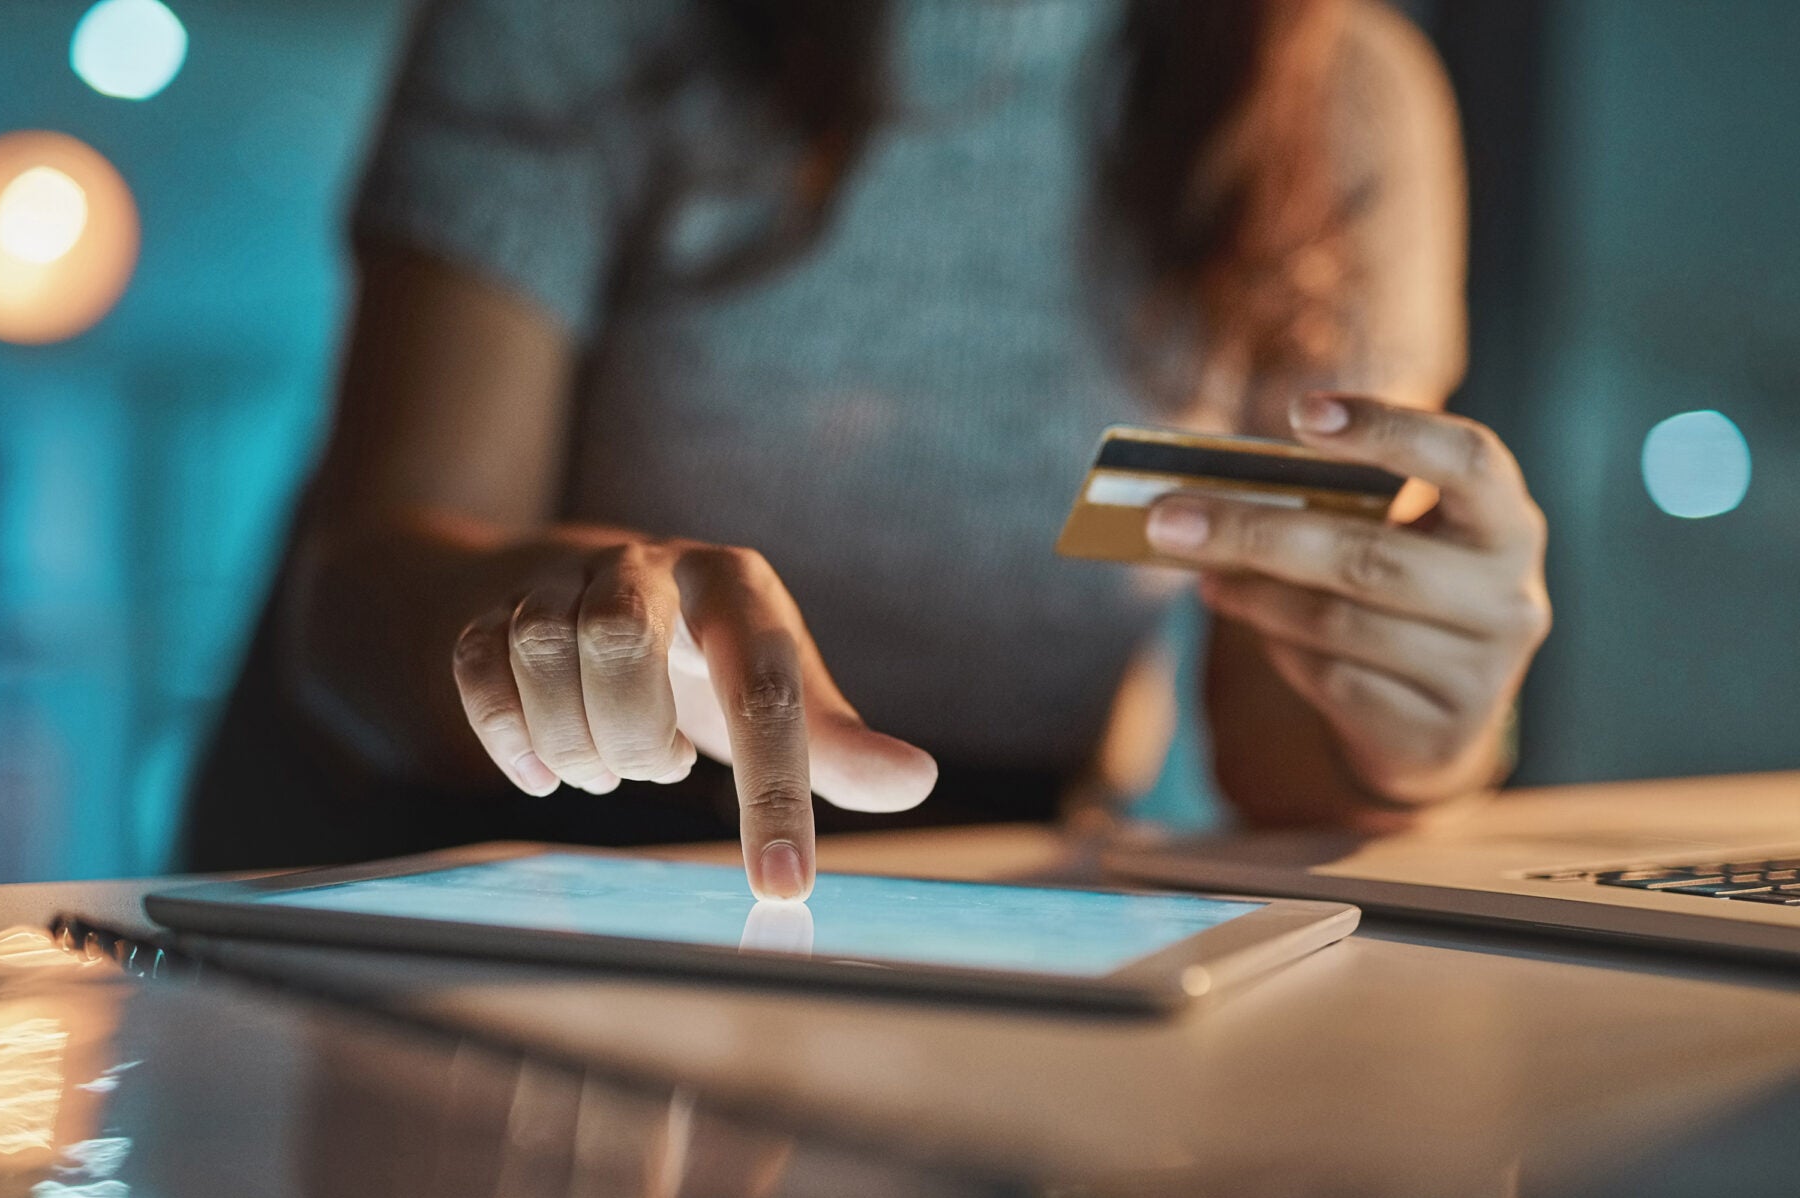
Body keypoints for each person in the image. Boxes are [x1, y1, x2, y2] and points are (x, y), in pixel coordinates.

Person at [180, 0, 1551, 902]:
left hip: (982, 923)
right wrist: (582, 623)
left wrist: (1422, 722)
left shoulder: (1340, 101)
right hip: (477, 876)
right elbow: (359, 597)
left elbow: (1276, 742)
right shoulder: (580, 23)